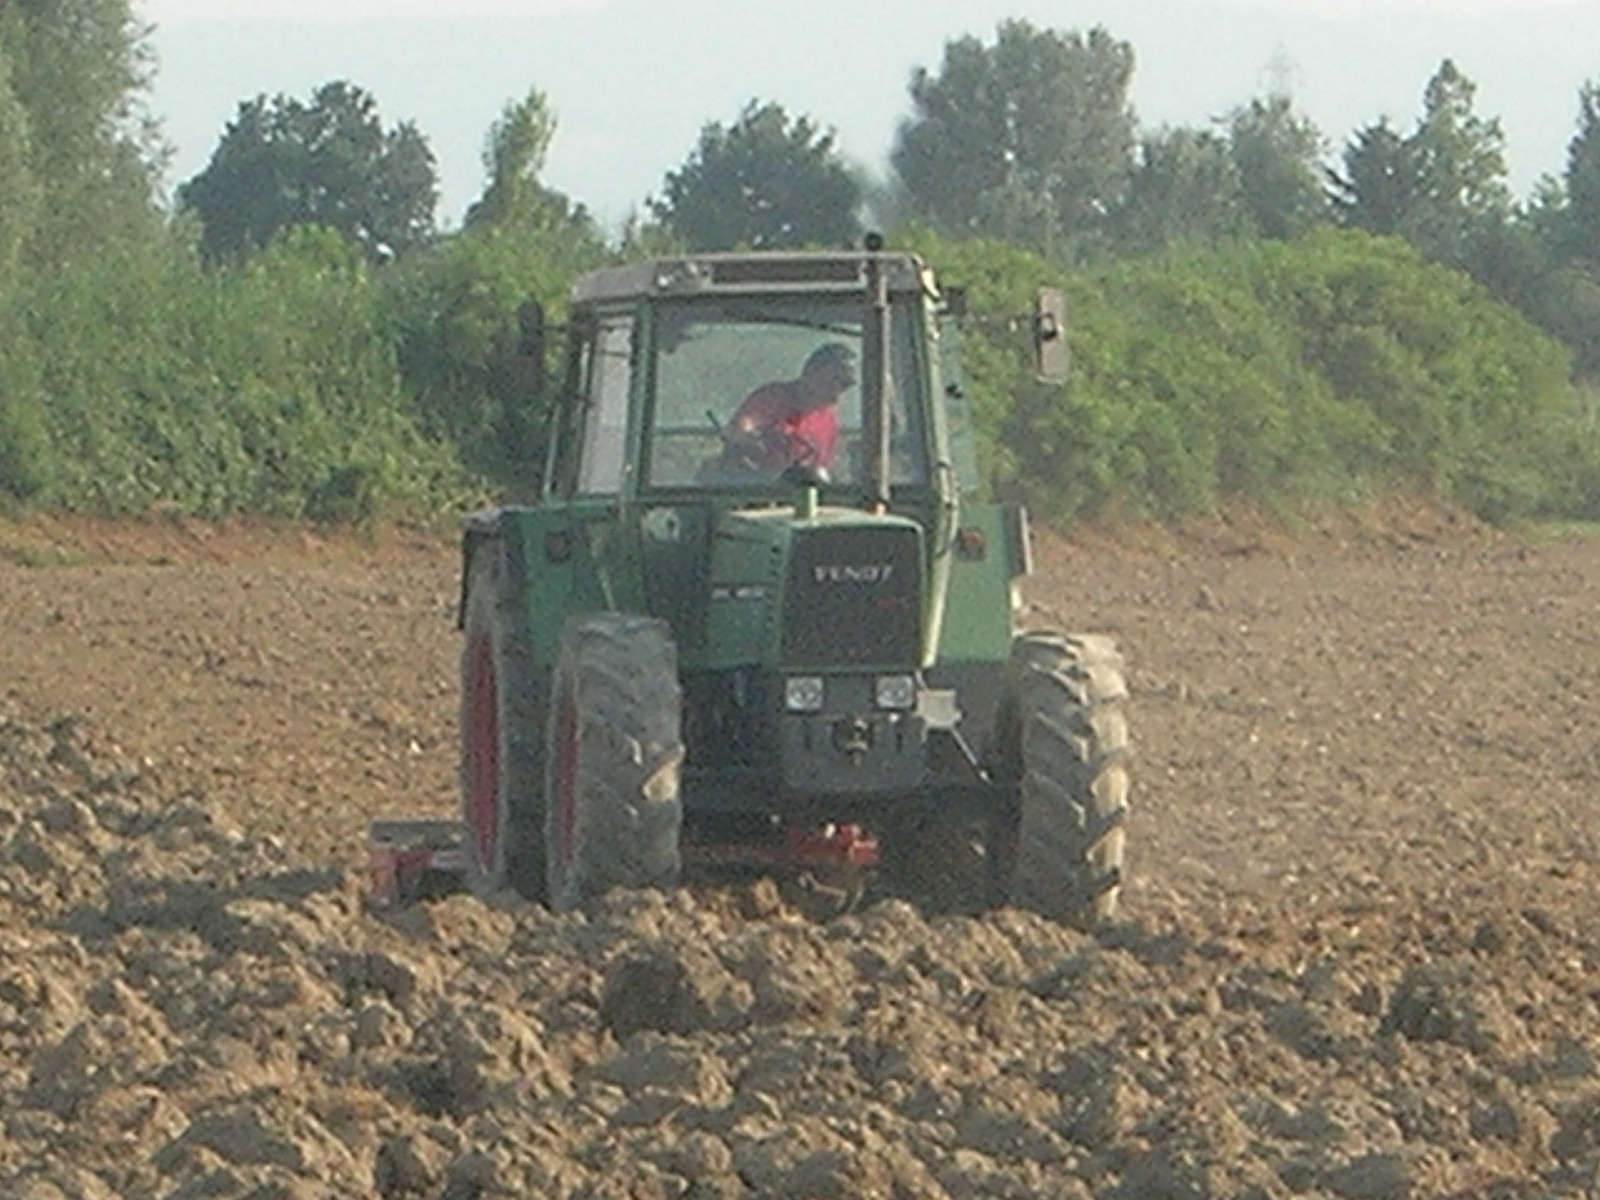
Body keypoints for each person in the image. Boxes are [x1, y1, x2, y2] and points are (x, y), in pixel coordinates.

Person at [715, 342, 856, 477]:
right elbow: (738, 432)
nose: (837, 394)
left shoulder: (828, 423)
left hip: (801, 496)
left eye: (844, 386)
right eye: (833, 381)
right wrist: (753, 443)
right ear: (811, 373)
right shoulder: (770, 399)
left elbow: (821, 471)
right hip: (754, 490)